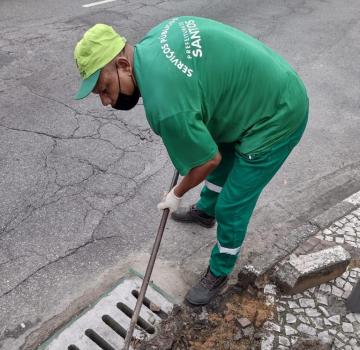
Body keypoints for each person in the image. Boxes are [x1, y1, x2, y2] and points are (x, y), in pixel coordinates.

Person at [73, 17, 309, 305]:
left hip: (277, 115)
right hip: (261, 88)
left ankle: (220, 271)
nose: (106, 101)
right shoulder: (153, 38)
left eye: (105, 88)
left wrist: (177, 193)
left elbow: (206, 160)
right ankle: (206, 212)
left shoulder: (166, 108)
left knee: (233, 204)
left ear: (123, 65)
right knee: (218, 141)